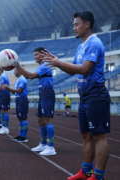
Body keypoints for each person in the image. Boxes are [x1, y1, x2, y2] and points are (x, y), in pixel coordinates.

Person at [42, 11, 110, 180]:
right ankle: (86, 172)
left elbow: (85, 69)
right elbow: (73, 70)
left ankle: (98, 176)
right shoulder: (81, 46)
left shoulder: (94, 43)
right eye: (73, 25)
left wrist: (59, 63)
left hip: (96, 94)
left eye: (76, 24)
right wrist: (58, 62)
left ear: (87, 24)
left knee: (98, 136)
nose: (73, 28)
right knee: (86, 135)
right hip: (84, 96)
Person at [16, 47, 56, 156]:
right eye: (34, 54)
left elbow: (30, 76)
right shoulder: (42, 66)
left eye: (36, 54)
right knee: (40, 120)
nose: (34, 56)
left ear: (42, 55)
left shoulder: (45, 65)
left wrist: (19, 66)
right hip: (43, 95)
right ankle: (43, 144)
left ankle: (51, 147)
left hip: (47, 95)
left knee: (47, 120)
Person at [2, 67, 29, 142]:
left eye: (15, 70)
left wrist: (8, 88)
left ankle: (24, 137)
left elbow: (19, 90)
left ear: (19, 71)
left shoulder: (22, 79)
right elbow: (15, 92)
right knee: (20, 119)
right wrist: (8, 89)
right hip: (18, 100)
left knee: (23, 118)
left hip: (22, 100)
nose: (14, 72)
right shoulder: (18, 80)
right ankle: (20, 135)